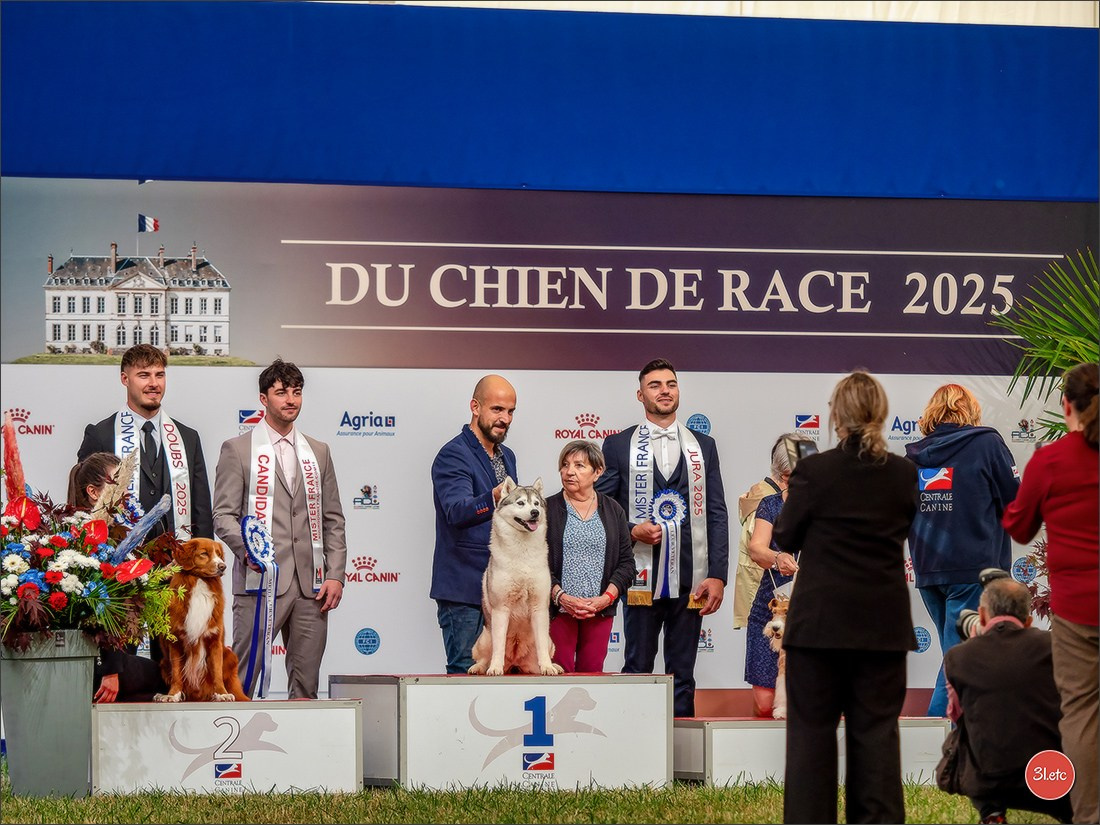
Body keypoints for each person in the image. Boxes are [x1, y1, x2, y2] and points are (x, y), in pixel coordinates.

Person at [773, 370, 918, 824]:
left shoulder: (814, 471)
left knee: (811, 740)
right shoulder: (904, 472)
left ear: (836, 415)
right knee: (876, 738)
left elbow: (786, 534)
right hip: (883, 628)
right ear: (881, 414)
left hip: (819, 628)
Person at [596, 358, 729, 718]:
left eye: (670, 384)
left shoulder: (705, 445)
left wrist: (717, 574)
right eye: (655, 385)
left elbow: (716, 511)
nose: (665, 390)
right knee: (637, 665)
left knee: (683, 671)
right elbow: (601, 510)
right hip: (639, 577)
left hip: (693, 577)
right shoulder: (618, 445)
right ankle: (631, 750)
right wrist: (630, 530)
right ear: (640, 395)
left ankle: (681, 760)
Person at [212, 358, 347, 699]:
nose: (291, 400)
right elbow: (223, 516)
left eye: (297, 392)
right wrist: (250, 551)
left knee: (306, 686)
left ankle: (300, 750)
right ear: (263, 399)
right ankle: (236, 746)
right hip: (259, 581)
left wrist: (336, 574)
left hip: (312, 586)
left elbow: (333, 518)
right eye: (281, 392)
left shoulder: (319, 451)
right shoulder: (237, 450)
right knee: (241, 679)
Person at [1002, 362, 1098, 825]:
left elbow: (1019, 525)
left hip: (1078, 611)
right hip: (1077, 608)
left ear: (1066, 406)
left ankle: (1088, 817)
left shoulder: (1051, 460)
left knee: (1080, 712)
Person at [905, 383, 1020, 717]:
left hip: (929, 571)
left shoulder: (913, 455)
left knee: (954, 658)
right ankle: (936, 747)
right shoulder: (986, 443)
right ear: (968, 410)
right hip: (975, 570)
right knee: (960, 662)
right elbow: (1016, 502)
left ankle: (949, 749)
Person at [943, 575, 1073, 825]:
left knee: (965, 732)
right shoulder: (1055, 646)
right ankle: (1070, 813)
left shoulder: (958, 657)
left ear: (981, 617)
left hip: (989, 778)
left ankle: (991, 812)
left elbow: (956, 714)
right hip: (1050, 776)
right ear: (1028, 621)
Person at [77, 343, 213, 541]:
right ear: (125, 379)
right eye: (143, 375)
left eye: (159, 375)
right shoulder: (100, 434)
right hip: (117, 562)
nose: (154, 383)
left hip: (176, 562)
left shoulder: (188, 437)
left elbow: (201, 511)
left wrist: (206, 566)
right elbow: (82, 503)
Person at [430, 374, 519, 674]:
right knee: (465, 675)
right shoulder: (453, 454)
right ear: (475, 407)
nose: (504, 418)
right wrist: (493, 498)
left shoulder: (508, 457)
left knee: (502, 676)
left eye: (510, 411)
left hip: (503, 591)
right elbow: (456, 510)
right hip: (464, 590)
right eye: (497, 409)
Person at [67, 451, 167, 703]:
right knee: (169, 678)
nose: (127, 492)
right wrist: (112, 671)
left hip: (111, 659)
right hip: (99, 662)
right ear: (93, 492)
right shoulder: (88, 538)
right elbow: (100, 607)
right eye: (119, 482)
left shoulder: (115, 531)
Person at [546, 440, 636, 673]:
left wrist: (605, 599)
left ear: (598, 472)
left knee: (592, 675)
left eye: (579, 465)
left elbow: (627, 564)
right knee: (558, 675)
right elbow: (535, 565)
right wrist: (561, 597)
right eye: (565, 465)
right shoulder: (547, 509)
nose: (569, 472)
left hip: (599, 611)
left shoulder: (613, 510)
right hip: (558, 611)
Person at [743, 434, 811, 717]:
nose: (790, 483)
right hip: (774, 607)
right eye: (785, 477)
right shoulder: (770, 505)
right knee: (764, 703)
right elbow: (757, 548)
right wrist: (777, 557)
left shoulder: (828, 505)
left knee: (807, 698)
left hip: (812, 607)